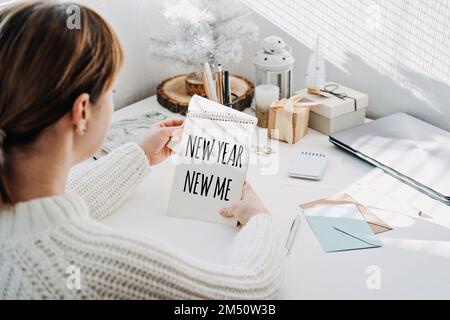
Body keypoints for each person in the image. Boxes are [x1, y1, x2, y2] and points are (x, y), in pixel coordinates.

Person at [0, 1, 284, 299]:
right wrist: (258, 221)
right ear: (82, 111)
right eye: (111, 90)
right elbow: (248, 294)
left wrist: (140, 156)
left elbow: (49, 209)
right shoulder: (92, 267)